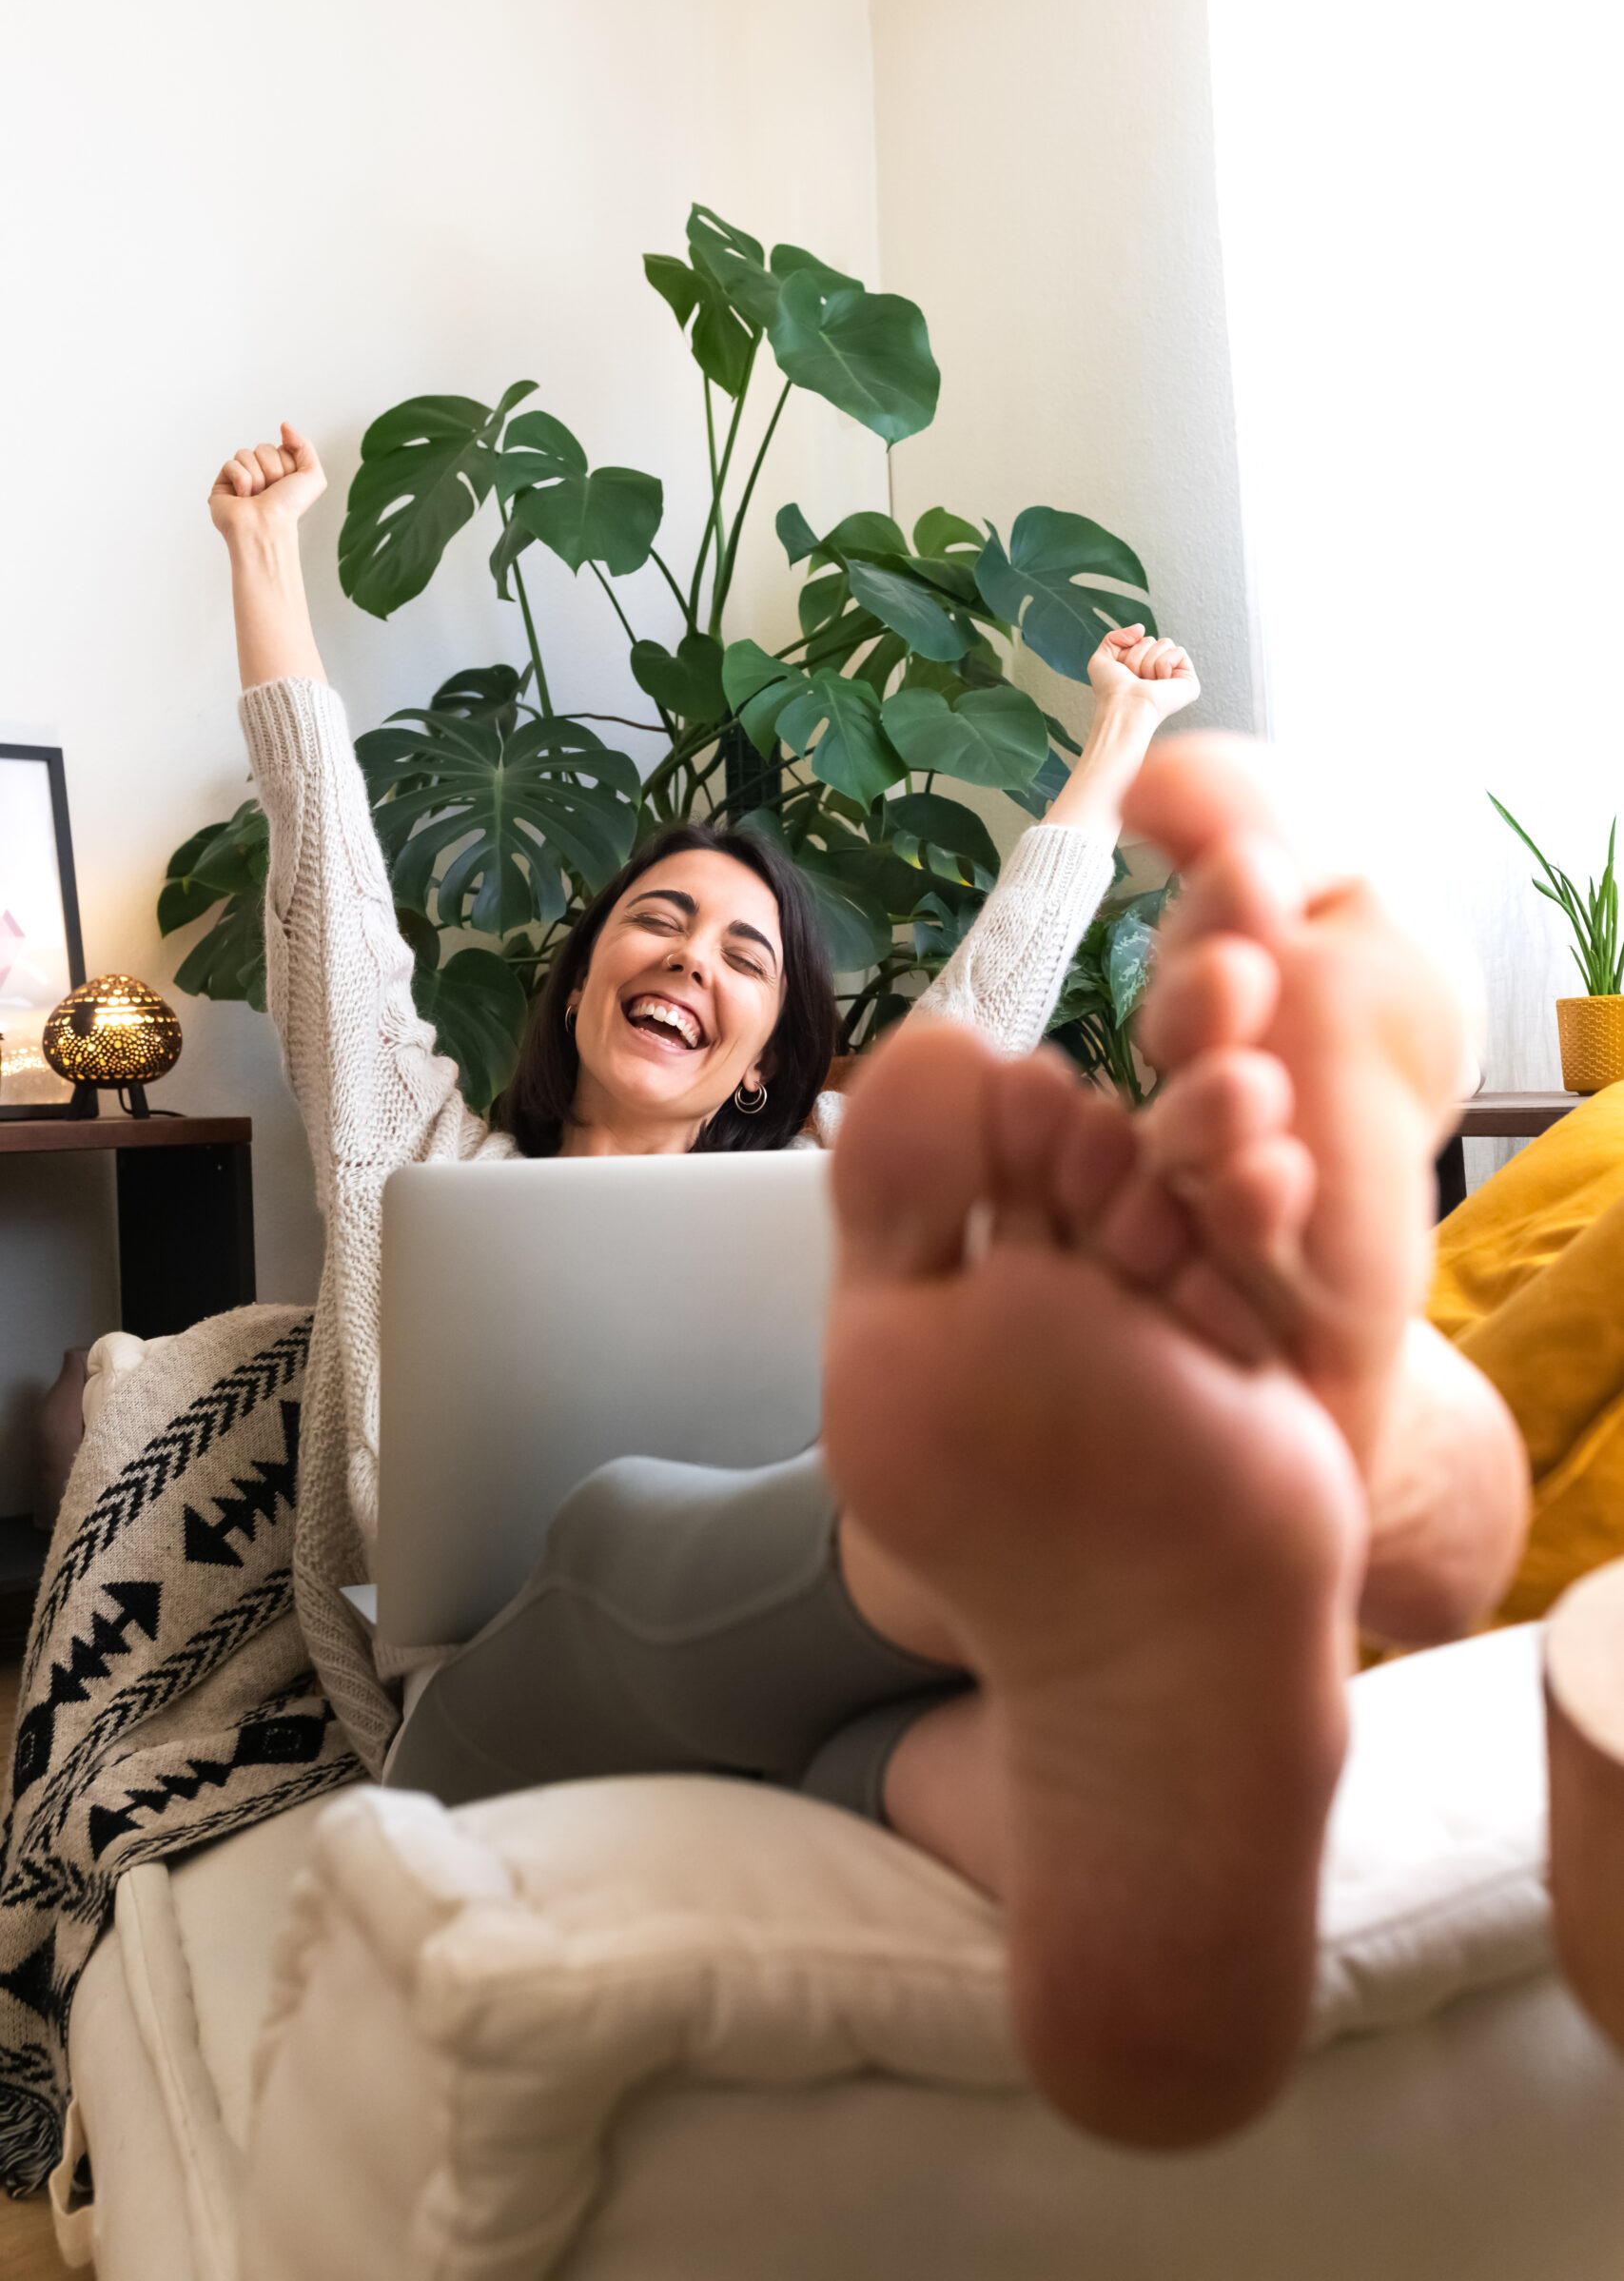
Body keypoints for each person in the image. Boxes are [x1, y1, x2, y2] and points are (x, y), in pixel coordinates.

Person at [211, 423, 1529, 2148]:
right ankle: (1149, 1473)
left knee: (913, 1757)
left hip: (787, 1692)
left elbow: (983, 1018)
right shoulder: (416, 1149)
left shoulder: (824, 1185)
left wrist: (1117, 742)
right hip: (482, 1709)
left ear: (767, 1054)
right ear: (584, 978)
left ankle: (1203, 1890)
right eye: (656, 923)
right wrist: (263, 552)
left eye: (745, 954)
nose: (691, 958)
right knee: (626, 1530)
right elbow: (326, 882)